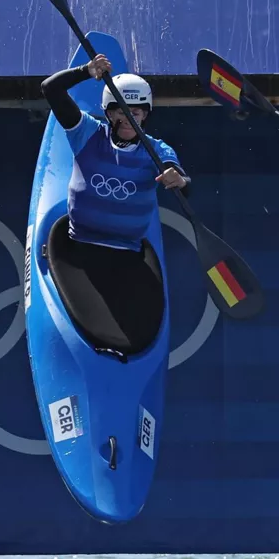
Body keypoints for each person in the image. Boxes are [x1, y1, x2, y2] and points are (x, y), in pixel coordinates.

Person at [39, 53, 190, 355]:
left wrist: (180, 181)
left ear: (146, 114)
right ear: (108, 112)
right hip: (79, 249)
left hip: (127, 257)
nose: (128, 119)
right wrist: (85, 71)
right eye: (121, 111)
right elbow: (50, 89)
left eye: (136, 111)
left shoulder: (157, 150)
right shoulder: (87, 133)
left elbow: (181, 182)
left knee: (134, 337)